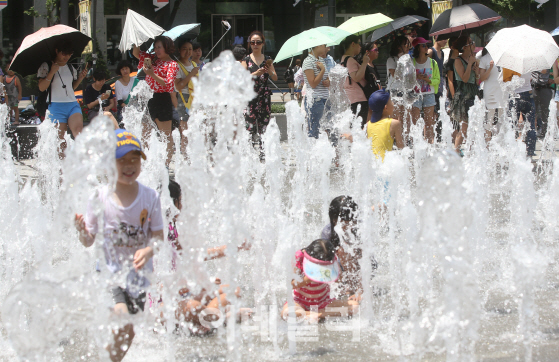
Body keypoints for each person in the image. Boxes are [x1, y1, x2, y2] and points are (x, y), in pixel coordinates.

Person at [74, 129, 164, 362]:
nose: (129, 165)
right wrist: (82, 232)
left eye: (134, 159)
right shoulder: (100, 198)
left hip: (138, 277)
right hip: (110, 273)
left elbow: (158, 237)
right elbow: (88, 241)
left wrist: (148, 250)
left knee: (129, 332)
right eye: (121, 160)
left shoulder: (150, 197)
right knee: (121, 316)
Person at [281, 239, 359, 321]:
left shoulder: (331, 259)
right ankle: (312, 313)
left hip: (323, 302)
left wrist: (332, 273)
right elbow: (291, 284)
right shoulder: (299, 257)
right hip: (300, 302)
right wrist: (308, 278)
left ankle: (318, 313)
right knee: (286, 313)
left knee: (355, 307)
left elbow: (338, 280)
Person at [132, 35, 179, 167]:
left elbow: (168, 84)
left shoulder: (172, 64)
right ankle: (146, 164)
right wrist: (136, 37)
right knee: (145, 133)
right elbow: (136, 53)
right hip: (149, 98)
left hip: (163, 98)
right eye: (155, 47)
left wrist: (152, 74)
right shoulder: (153, 60)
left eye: (160, 47)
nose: (157, 50)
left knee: (166, 135)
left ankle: (165, 165)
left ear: (167, 48)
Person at [37, 40, 88, 157]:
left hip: (72, 104)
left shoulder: (70, 67)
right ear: (57, 51)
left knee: (79, 131)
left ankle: (82, 161)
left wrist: (80, 78)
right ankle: (62, 169)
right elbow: (41, 87)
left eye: (70, 54)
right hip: (55, 106)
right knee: (60, 140)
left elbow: (71, 87)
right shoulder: (46, 66)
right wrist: (51, 72)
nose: (67, 57)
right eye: (64, 53)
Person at [320, 196, 364, 298]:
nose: (345, 226)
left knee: (344, 250)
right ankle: (344, 285)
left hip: (362, 267)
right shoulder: (328, 232)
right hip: (341, 269)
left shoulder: (360, 229)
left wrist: (360, 290)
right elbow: (326, 261)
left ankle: (354, 286)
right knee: (337, 251)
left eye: (349, 222)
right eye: (341, 223)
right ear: (333, 220)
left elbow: (366, 261)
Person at [241, 31, 277, 149]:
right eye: (252, 42)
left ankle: (264, 152)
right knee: (249, 126)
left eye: (258, 42)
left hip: (264, 95)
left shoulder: (267, 59)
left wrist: (269, 71)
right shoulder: (246, 59)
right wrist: (256, 73)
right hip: (250, 95)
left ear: (263, 44)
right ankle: (250, 153)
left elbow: (275, 77)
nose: (255, 44)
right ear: (249, 44)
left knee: (264, 126)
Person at [451, 36, 480, 154]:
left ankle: (471, 152)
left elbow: (476, 80)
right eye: (471, 43)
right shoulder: (458, 61)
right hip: (463, 97)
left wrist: (476, 71)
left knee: (472, 127)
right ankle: (455, 153)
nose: (473, 45)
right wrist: (469, 65)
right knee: (463, 127)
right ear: (464, 47)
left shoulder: (472, 60)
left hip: (473, 95)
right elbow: (465, 79)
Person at [411, 37, 440, 144]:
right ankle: (416, 145)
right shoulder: (412, 62)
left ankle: (429, 145)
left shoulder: (432, 62)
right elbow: (407, 80)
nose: (426, 47)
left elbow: (437, 79)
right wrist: (416, 76)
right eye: (423, 45)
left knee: (429, 122)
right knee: (415, 122)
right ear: (418, 48)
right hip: (415, 94)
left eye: (427, 45)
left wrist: (428, 80)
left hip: (429, 94)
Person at [503, 68, 536, 157]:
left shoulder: (511, 63)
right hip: (528, 94)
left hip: (515, 95)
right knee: (531, 125)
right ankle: (530, 153)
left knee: (512, 125)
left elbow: (506, 80)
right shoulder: (529, 61)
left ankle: (512, 152)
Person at [174, 39, 199, 155]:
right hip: (184, 99)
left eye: (190, 49)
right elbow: (178, 86)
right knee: (185, 131)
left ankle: (192, 156)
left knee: (195, 130)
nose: (188, 52)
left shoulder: (194, 64)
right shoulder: (177, 66)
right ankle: (184, 158)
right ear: (179, 50)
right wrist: (192, 74)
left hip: (195, 99)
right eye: (184, 49)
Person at [340, 35, 370, 128]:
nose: (360, 47)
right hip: (358, 98)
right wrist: (365, 63)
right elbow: (356, 77)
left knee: (354, 127)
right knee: (359, 127)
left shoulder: (345, 59)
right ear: (353, 44)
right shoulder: (350, 60)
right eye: (359, 44)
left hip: (352, 98)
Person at [366, 89, 405, 160]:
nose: (393, 104)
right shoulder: (394, 123)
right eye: (391, 101)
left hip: (372, 165)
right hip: (385, 166)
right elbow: (400, 147)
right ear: (386, 107)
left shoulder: (367, 125)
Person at [478, 41, 504, 141]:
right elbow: (482, 77)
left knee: (502, 118)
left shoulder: (503, 57)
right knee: (490, 118)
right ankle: (488, 145)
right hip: (490, 91)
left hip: (502, 90)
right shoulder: (485, 59)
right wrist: (490, 68)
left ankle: (500, 144)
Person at [303, 44, 330, 138]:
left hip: (325, 98)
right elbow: (313, 84)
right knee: (315, 130)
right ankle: (313, 151)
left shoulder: (321, 60)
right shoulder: (308, 61)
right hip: (315, 100)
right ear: (318, 46)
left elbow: (326, 78)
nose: (326, 48)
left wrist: (328, 81)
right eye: (324, 45)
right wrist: (322, 70)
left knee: (329, 127)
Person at [386, 36, 412, 123]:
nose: (408, 47)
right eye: (405, 45)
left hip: (404, 90)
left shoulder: (406, 60)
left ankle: (401, 136)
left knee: (404, 118)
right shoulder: (391, 59)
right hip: (394, 90)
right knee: (395, 116)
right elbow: (395, 75)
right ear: (398, 47)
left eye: (408, 45)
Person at [355, 42, 382, 123]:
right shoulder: (364, 67)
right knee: (369, 120)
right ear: (367, 52)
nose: (378, 52)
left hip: (377, 96)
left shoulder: (373, 65)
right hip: (369, 98)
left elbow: (378, 81)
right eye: (375, 50)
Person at [444, 36, 460, 141]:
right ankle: (453, 142)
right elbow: (450, 81)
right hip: (454, 94)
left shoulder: (461, 60)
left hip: (462, 92)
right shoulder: (450, 63)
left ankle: (457, 142)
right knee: (454, 120)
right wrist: (454, 97)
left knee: (460, 120)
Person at [532, 69, 554, 138]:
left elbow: (545, 71)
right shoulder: (531, 60)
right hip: (533, 88)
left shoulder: (545, 60)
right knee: (533, 111)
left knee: (545, 112)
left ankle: (544, 132)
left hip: (545, 88)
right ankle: (533, 131)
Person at [427, 36, 447, 115]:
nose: (445, 41)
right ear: (436, 38)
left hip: (439, 82)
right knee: (431, 111)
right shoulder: (431, 51)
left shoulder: (442, 52)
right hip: (431, 83)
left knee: (438, 109)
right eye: (444, 38)